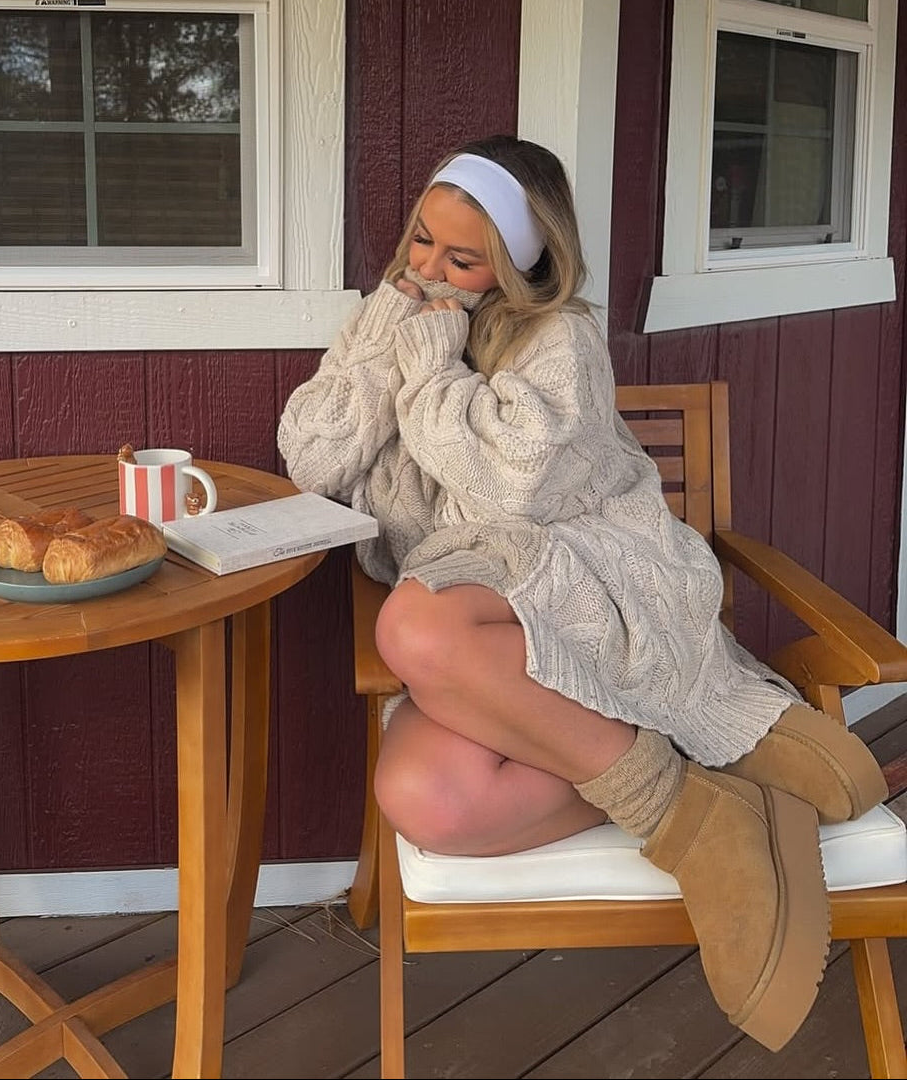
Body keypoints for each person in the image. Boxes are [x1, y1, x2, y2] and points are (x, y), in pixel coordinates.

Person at [276, 134, 887, 1051]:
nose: (429, 269)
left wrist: (435, 367)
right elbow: (314, 458)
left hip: (580, 566)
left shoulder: (560, 335)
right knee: (428, 802)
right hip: (478, 611)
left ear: (522, 260)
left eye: (462, 257)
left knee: (417, 627)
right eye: (421, 242)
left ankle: (690, 827)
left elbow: (506, 490)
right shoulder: (392, 317)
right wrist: (389, 348)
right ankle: (698, 787)